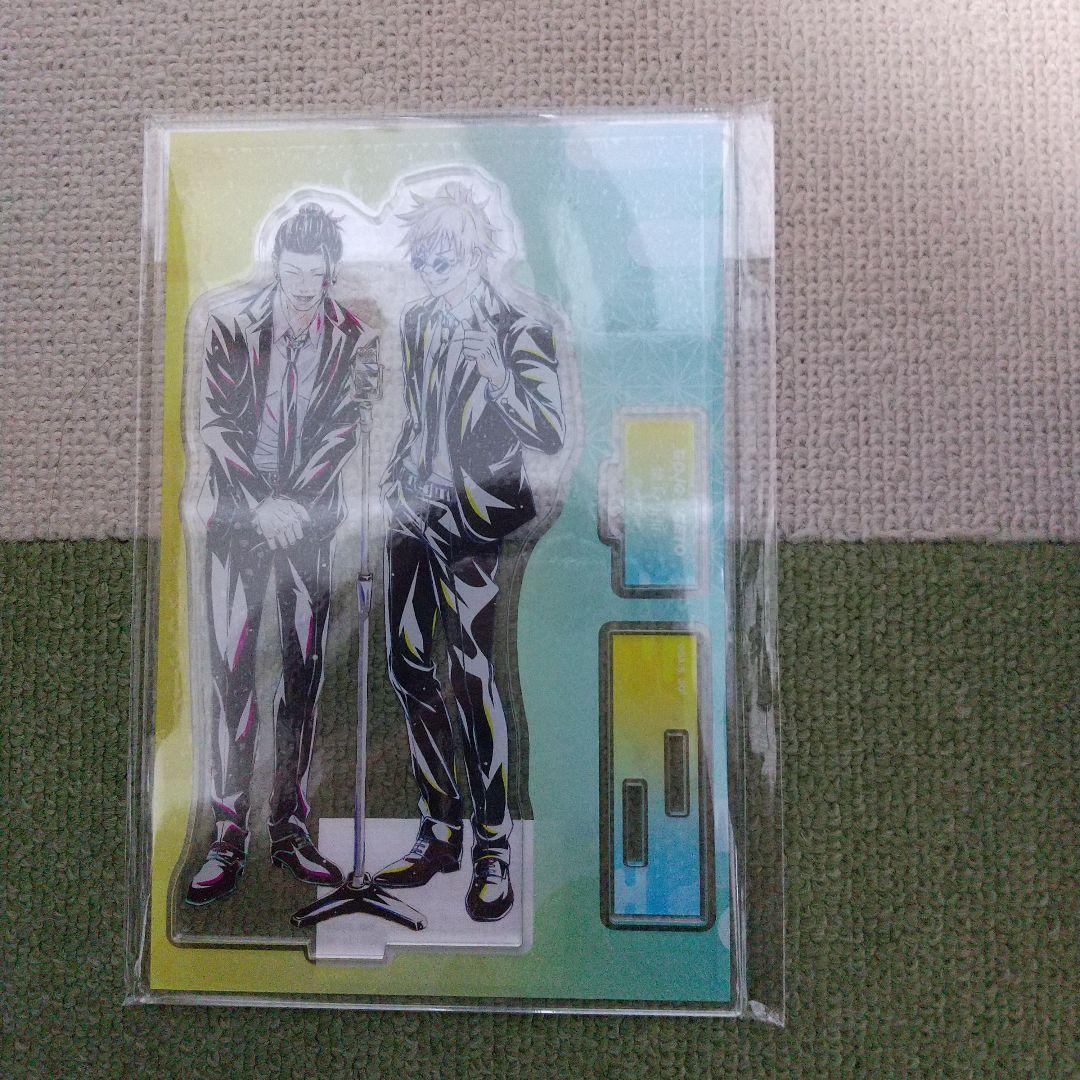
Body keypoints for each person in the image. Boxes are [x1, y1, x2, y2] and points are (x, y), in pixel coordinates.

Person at [375, 182, 565, 921]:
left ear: (477, 252)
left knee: (475, 676)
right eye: (422, 259)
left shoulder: (519, 324)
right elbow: (419, 417)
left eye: (444, 258)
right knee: (406, 666)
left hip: (478, 522)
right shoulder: (418, 321)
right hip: (414, 515)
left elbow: (547, 432)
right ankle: (438, 829)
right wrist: (396, 482)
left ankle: (492, 847)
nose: (431, 271)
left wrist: (497, 375)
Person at [185, 203, 379, 906]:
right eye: (292, 273)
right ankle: (227, 831)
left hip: (307, 523)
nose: (302, 287)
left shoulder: (351, 336)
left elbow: (342, 430)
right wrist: (261, 503)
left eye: (314, 276)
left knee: (301, 673)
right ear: (276, 266)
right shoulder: (230, 324)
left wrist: (294, 504)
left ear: (331, 273)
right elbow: (214, 424)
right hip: (238, 517)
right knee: (233, 672)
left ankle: (289, 827)